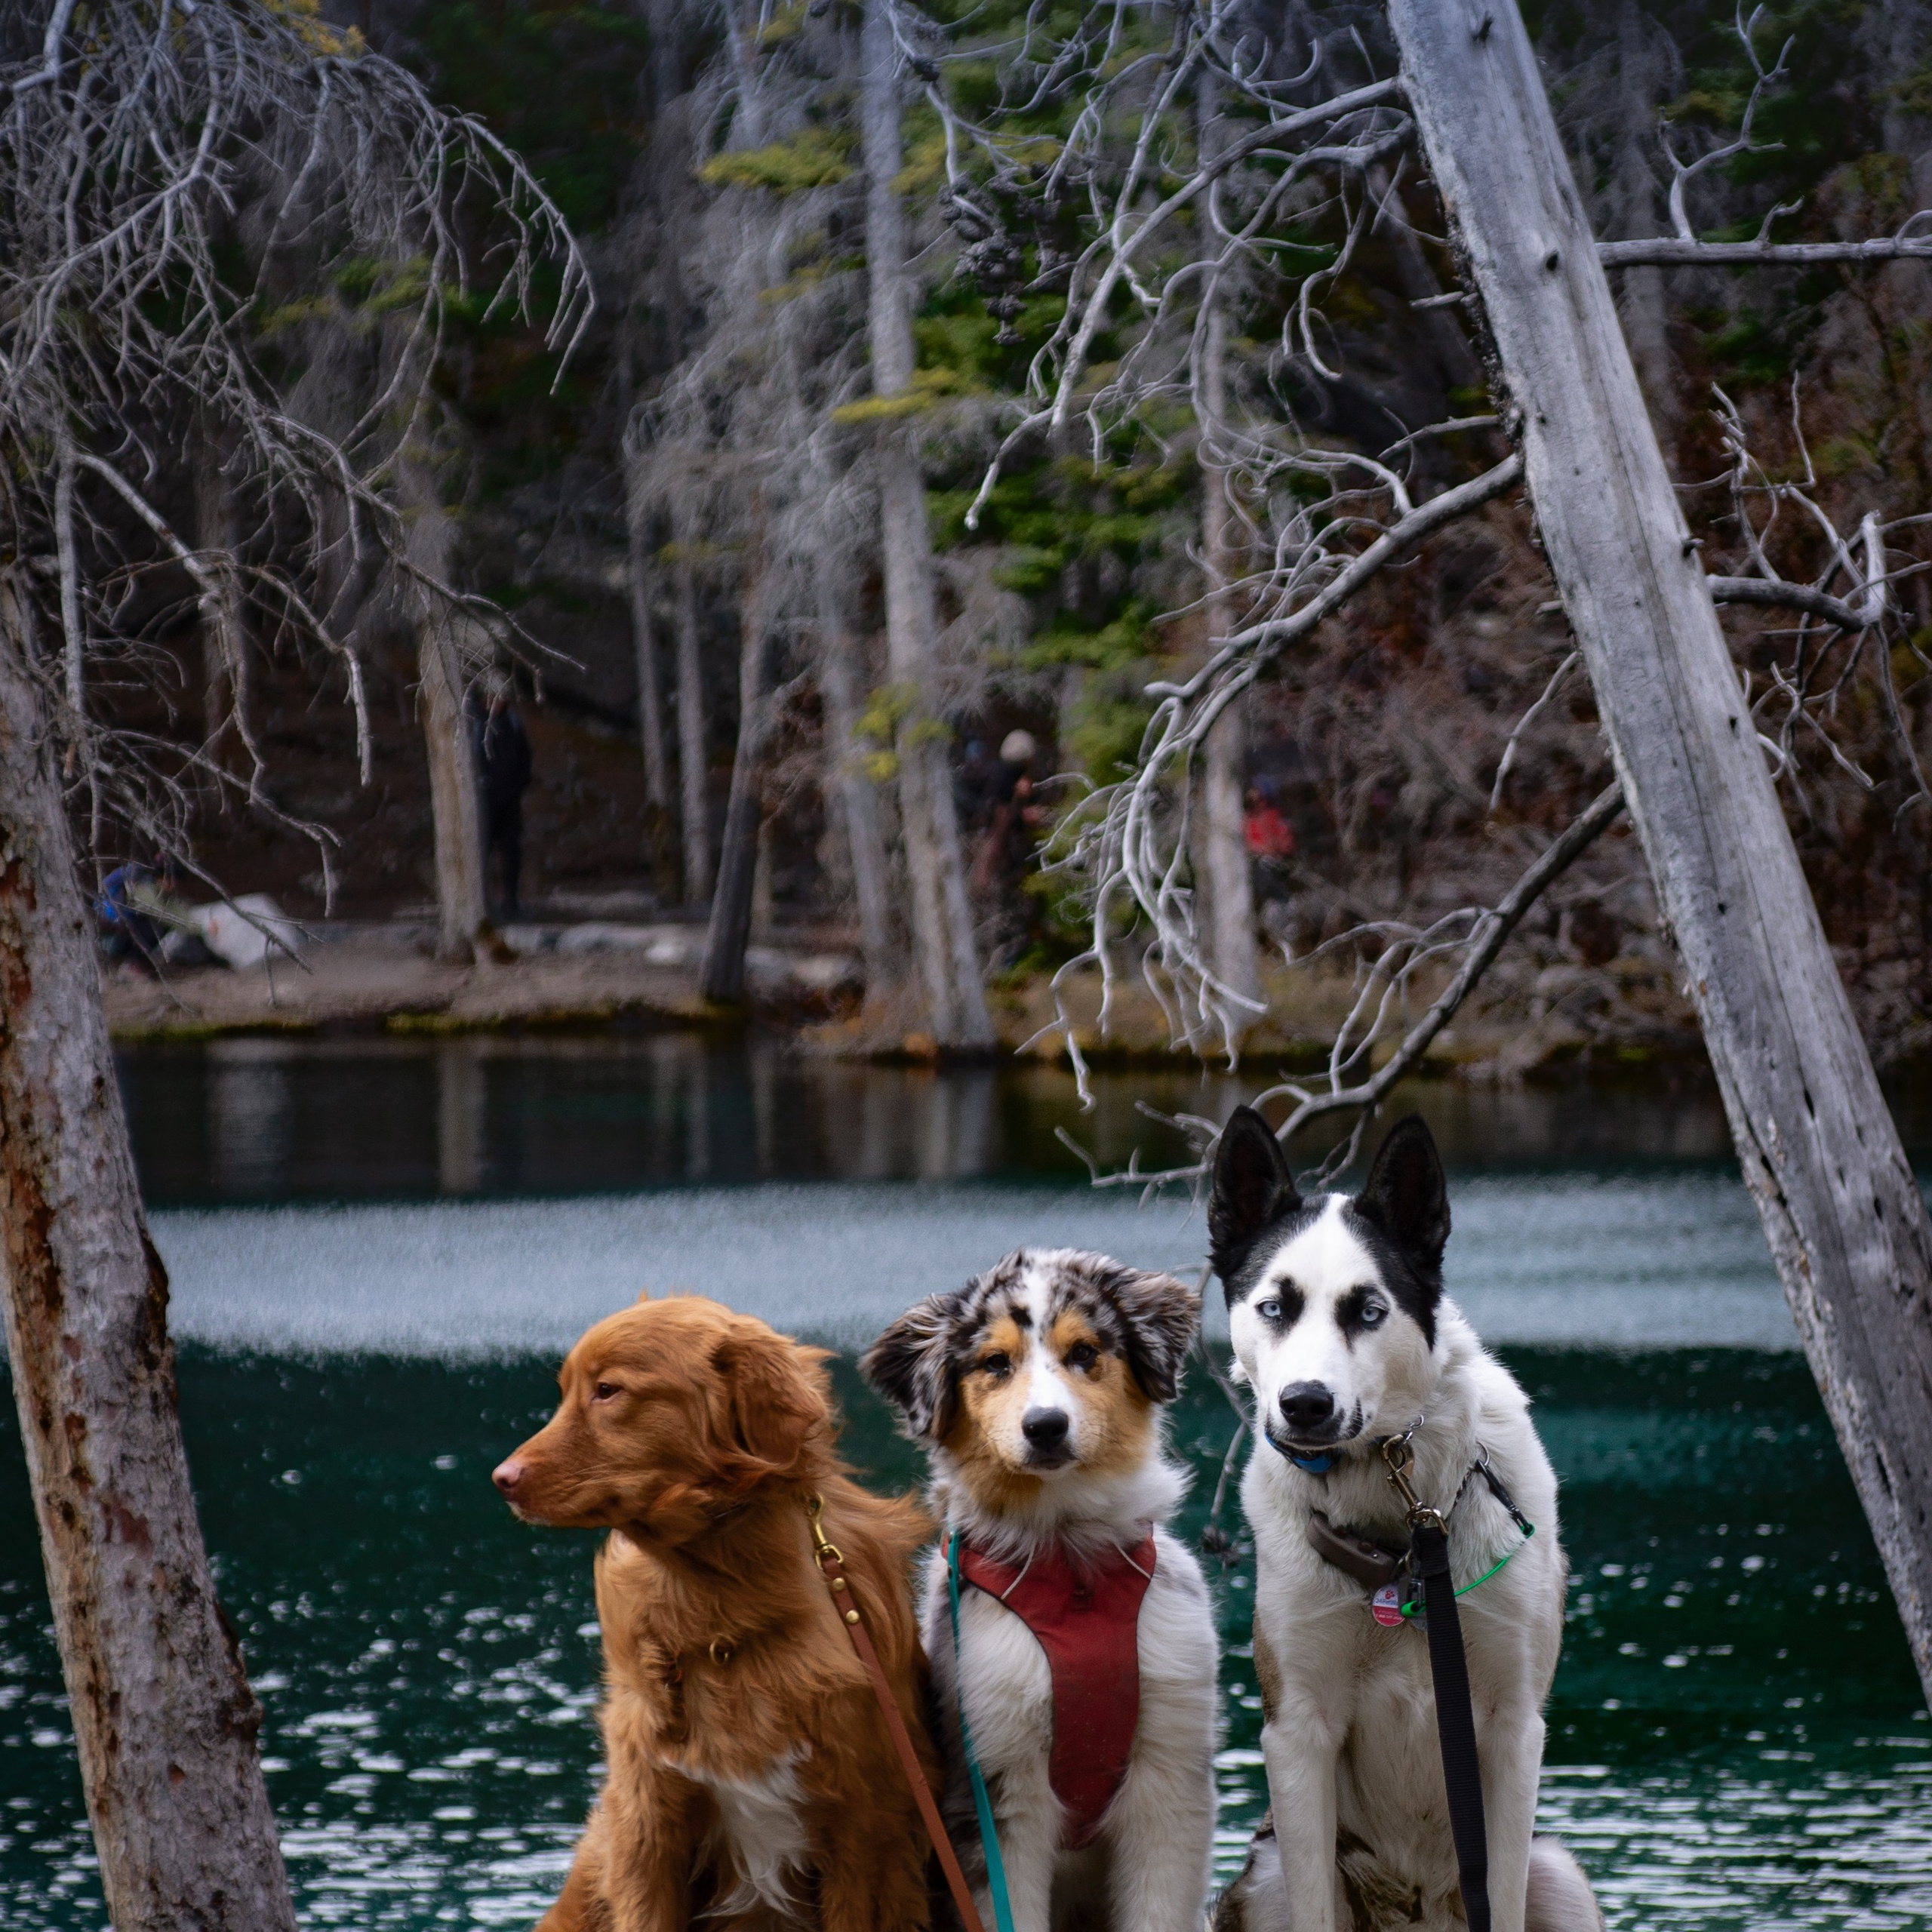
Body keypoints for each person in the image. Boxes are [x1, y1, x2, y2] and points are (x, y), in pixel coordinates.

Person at [472, 676, 534, 922]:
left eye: (500, 697)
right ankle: (481, 903)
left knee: (511, 852)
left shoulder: (513, 723)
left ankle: (510, 901)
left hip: (510, 800)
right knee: (482, 851)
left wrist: (519, 784)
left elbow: (525, 758)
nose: (496, 702)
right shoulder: (475, 724)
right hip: (483, 802)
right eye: (492, 697)